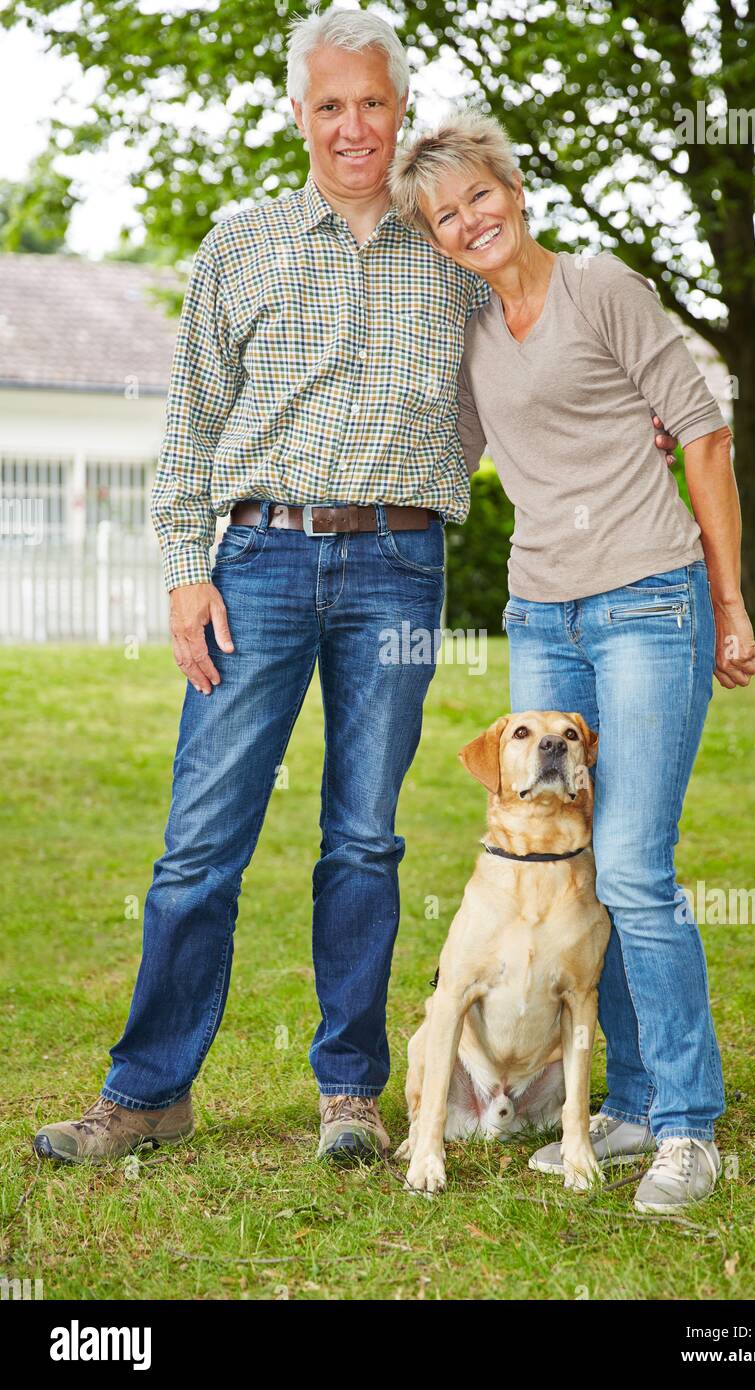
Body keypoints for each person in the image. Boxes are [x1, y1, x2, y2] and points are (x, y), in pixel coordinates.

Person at [33, 17, 678, 1172]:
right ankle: (145, 1091)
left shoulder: (451, 250)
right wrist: (187, 567)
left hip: (397, 565)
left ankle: (351, 1091)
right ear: (299, 116)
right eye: (328, 106)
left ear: (399, 112)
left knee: (363, 840)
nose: (351, 127)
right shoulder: (242, 245)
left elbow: (543, 351)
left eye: (371, 105)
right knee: (198, 842)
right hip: (258, 562)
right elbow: (189, 421)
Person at [389, 111, 755, 1213]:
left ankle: (687, 1124)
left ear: (512, 182)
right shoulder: (467, 329)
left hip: (650, 593)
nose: (468, 223)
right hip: (541, 614)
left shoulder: (600, 286)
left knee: (636, 865)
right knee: (579, 865)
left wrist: (727, 601)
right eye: (444, 217)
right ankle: (632, 1098)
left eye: (477, 197)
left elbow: (697, 429)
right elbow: (444, 449)